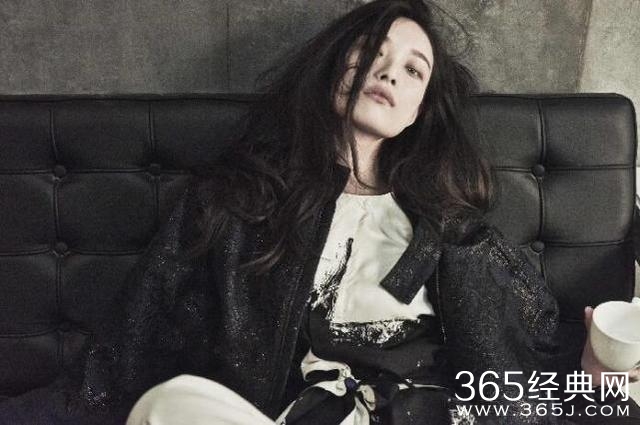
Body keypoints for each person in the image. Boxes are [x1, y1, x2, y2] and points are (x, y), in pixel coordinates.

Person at [1, 0, 639, 424]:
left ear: (419, 109)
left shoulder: (453, 231)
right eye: (372, 53)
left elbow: (519, 367)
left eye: (413, 70)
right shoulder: (237, 203)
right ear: (334, 66)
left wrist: (598, 377)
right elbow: (132, 344)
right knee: (172, 404)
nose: (389, 73)